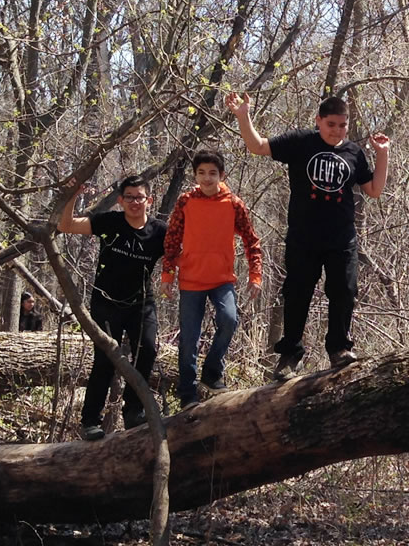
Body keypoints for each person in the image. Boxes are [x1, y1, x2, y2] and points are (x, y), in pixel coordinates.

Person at [227, 93, 389, 379]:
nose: (337, 130)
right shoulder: (302, 142)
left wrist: (382, 154)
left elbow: (373, 190)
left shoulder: (353, 152)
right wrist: (243, 116)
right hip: (304, 237)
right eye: (331, 124)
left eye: (342, 125)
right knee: (297, 293)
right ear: (318, 122)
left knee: (344, 291)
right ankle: (290, 354)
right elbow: (257, 146)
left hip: (341, 238)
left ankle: (339, 348)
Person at [58, 175, 166, 441]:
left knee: (148, 349)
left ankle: (134, 411)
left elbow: (184, 254)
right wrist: (72, 194)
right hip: (106, 303)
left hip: (141, 303)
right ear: (120, 200)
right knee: (105, 360)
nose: (134, 202)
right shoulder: (109, 222)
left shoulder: (160, 231)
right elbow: (66, 224)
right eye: (128, 197)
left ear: (149, 201)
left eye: (139, 197)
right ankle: (90, 421)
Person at [161, 150, 263, 408]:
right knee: (188, 339)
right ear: (195, 175)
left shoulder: (233, 203)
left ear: (222, 175)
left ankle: (212, 372)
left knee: (229, 320)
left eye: (212, 173)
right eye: (201, 173)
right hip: (191, 280)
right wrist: (167, 274)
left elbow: (252, 240)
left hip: (222, 279)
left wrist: (255, 274)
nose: (207, 179)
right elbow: (172, 238)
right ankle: (188, 394)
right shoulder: (185, 202)